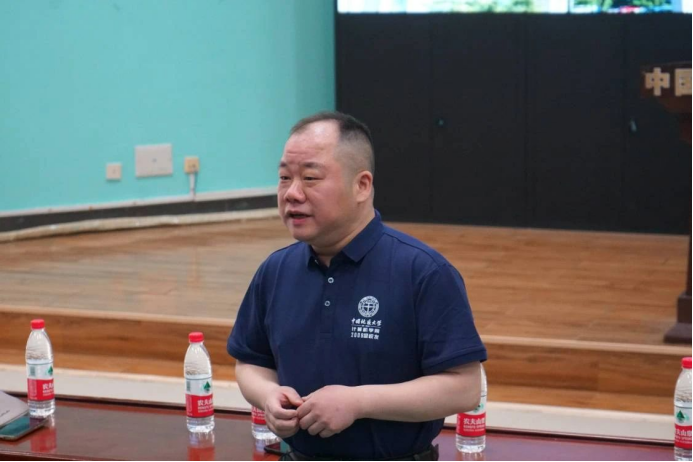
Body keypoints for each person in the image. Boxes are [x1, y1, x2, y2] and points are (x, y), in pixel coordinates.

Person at [227, 111, 487, 461]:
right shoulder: (275, 270)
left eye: (310, 178)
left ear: (362, 185)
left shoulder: (423, 271)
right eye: (284, 178)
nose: (292, 193)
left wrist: (358, 402)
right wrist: (267, 395)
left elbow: (465, 387)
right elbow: (250, 362)